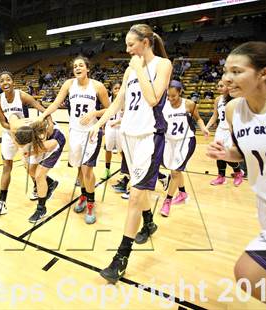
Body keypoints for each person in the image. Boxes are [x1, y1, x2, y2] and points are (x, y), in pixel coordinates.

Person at [207, 41, 266, 310]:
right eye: (226, 71)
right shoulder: (234, 110)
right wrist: (228, 154)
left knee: (249, 274)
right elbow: (245, 153)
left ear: (264, 73)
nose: (227, 78)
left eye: (237, 71)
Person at [89, 24, 172, 283]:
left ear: (145, 42)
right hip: (128, 136)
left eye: (131, 45)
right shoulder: (129, 70)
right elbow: (118, 102)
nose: (127, 50)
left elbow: (154, 99)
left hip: (150, 136)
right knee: (139, 189)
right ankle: (148, 223)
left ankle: (120, 259)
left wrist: (139, 70)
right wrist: (99, 124)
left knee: (135, 196)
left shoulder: (162, 65)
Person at [38, 56, 110, 224]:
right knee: (79, 170)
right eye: (75, 66)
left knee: (87, 170)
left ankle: (91, 204)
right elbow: (56, 103)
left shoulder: (97, 86)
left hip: (92, 133)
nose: (77, 68)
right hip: (75, 132)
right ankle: (84, 196)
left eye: (81, 65)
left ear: (87, 69)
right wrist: (42, 115)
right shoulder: (69, 85)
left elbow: (108, 110)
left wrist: (94, 113)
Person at [0, 71, 51, 217]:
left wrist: (49, 120)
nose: (5, 82)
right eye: (2, 80)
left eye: (8, 79)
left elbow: (39, 106)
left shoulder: (21, 95)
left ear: (13, 82)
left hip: (25, 134)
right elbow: (2, 122)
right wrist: (14, 127)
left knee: (28, 166)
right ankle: (1, 204)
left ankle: (38, 187)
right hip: (9, 133)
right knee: (6, 167)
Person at [159, 80, 209, 217]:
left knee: (175, 172)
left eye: (173, 96)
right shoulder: (164, 105)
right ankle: (182, 193)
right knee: (175, 170)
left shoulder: (189, 104)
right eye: (168, 96)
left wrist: (203, 127)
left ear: (180, 92)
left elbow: (198, 119)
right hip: (170, 141)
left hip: (186, 141)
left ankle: (167, 201)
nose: (170, 99)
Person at [9, 116, 66, 223]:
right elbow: (20, 144)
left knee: (39, 175)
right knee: (30, 170)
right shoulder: (18, 129)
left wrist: (49, 122)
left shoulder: (45, 140)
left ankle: (41, 209)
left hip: (55, 140)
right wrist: (25, 157)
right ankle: (51, 183)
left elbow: (45, 147)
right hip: (36, 141)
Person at [205, 79, 244, 186]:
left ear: (228, 86)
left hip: (232, 130)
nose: (219, 88)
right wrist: (206, 127)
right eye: (218, 86)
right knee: (218, 154)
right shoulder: (218, 99)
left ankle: (238, 173)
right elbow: (215, 115)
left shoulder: (237, 98)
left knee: (228, 154)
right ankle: (221, 176)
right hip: (221, 130)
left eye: (221, 86)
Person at [101, 80, 122, 180]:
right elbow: (106, 113)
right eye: (115, 88)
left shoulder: (125, 100)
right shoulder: (108, 100)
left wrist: (118, 122)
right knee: (108, 149)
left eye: (119, 88)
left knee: (122, 151)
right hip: (110, 127)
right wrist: (103, 125)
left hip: (120, 127)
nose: (117, 90)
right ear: (112, 90)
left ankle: (125, 169)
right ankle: (107, 170)